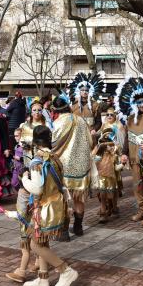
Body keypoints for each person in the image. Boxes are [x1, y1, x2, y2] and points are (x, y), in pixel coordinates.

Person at [16, 125, 79, 286]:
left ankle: (65, 270)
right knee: (42, 240)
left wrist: (24, 178)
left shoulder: (37, 161)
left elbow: (36, 189)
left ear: (35, 142)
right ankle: (43, 280)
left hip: (44, 207)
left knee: (35, 245)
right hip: (56, 204)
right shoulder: (54, 157)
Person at [115, 76, 143, 227]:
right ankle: (141, 210)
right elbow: (127, 136)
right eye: (139, 102)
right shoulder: (131, 118)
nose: (142, 104)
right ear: (135, 103)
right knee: (137, 186)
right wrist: (124, 153)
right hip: (134, 158)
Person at [51, 93, 93, 239]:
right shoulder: (81, 120)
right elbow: (90, 141)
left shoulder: (57, 123)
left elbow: (52, 144)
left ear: (55, 110)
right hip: (82, 165)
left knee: (63, 198)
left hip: (63, 166)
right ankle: (78, 227)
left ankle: (63, 231)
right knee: (79, 198)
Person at [93, 129, 125, 223]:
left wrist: (122, 163)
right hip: (101, 178)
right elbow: (93, 160)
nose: (108, 146)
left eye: (109, 144)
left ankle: (113, 207)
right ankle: (103, 212)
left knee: (112, 195)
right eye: (105, 144)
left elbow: (117, 166)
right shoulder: (98, 153)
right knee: (102, 195)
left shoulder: (114, 153)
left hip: (112, 178)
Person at [19, 101, 52, 167]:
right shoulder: (25, 126)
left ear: (42, 112)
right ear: (31, 112)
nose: (37, 112)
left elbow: (50, 140)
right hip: (28, 155)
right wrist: (23, 145)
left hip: (43, 156)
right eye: (34, 110)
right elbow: (21, 139)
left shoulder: (47, 125)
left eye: (39, 110)